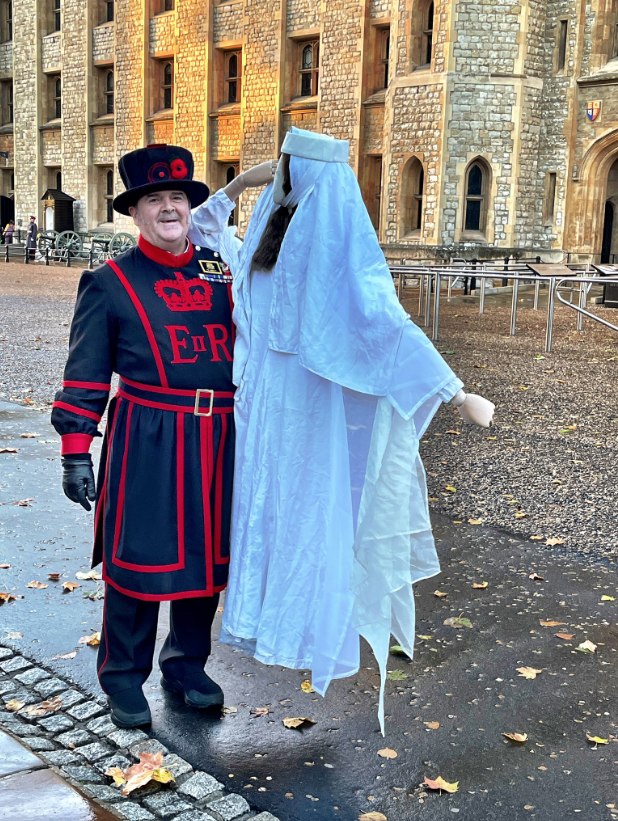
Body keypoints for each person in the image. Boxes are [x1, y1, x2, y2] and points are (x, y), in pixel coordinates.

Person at [199, 128, 494, 732]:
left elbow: (385, 320)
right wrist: (243, 181)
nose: (283, 179)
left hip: (306, 410)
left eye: (290, 171)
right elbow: (207, 229)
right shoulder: (262, 239)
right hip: (256, 408)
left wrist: (454, 391)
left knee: (309, 516)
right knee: (263, 517)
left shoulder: (336, 253)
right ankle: (260, 621)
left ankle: (302, 631)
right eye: (283, 169)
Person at [51, 144, 275, 729]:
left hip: (219, 439)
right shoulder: (109, 282)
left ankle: (186, 665)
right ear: (136, 211)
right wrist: (76, 452)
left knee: (206, 562)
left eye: (178, 196)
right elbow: (85, 373)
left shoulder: (219, 268)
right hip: (148, 439)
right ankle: (123, 677)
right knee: (138, 566)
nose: (170, 208)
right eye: (156, 199)